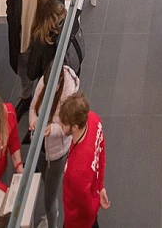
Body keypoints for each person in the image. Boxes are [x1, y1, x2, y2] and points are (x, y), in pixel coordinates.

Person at [6, 0, 64, 105]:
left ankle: (43, 101)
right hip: (23, 34)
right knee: (24, 68)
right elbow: (11, 2)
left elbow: (60, 8)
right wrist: (12, 21)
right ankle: (26, 98)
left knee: (44, 69)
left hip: (43, 37)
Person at [28, 60, 80, 228]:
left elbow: (68, 128)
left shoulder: (68, 93)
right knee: (45, 180)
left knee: (49, 199)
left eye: (54, 86)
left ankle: (52, 224)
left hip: (57, 154)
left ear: (60, 82)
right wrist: (34, 123)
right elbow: (32, 108)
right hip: (41, 149)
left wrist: (52, 129)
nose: (51, 90)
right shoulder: (44, 82)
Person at [59, 92, 109, 228]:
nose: (61, 125)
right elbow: (101, 154)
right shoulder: (94, 120)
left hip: (77, 222)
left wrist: (97, 200)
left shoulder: (76, 170)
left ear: (75, 126)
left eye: (64, 123)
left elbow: (88, 210)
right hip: (92, 194)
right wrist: (100, 187)